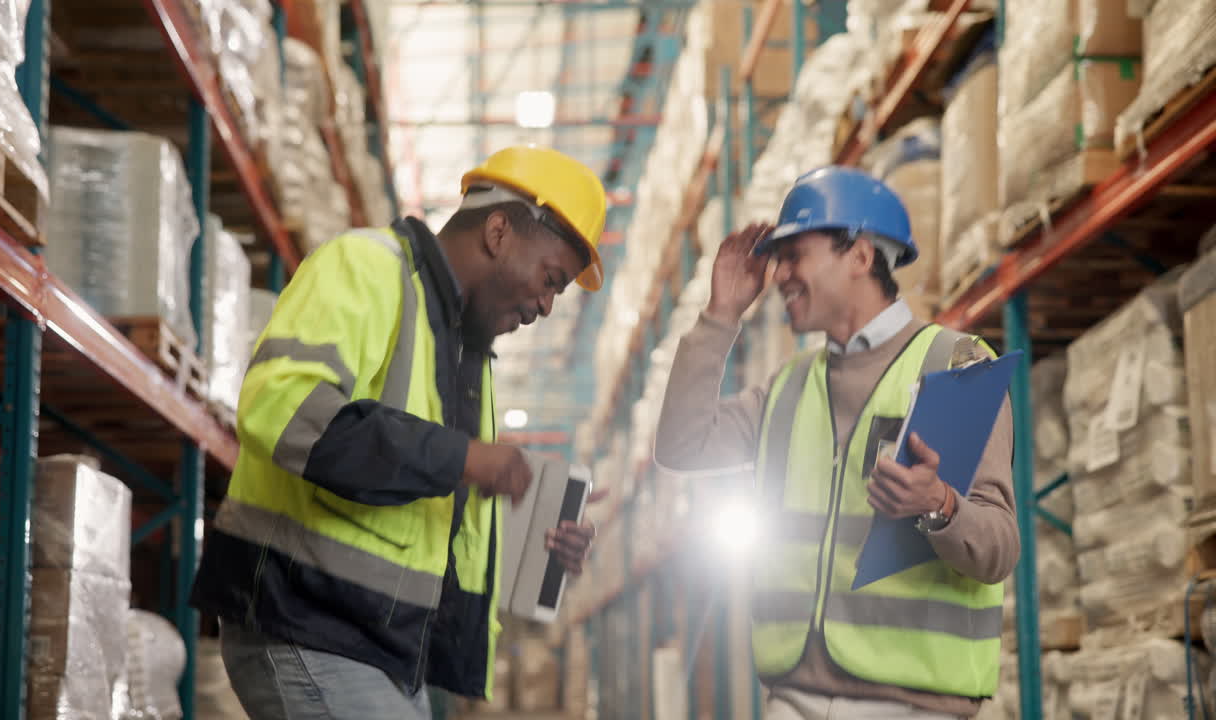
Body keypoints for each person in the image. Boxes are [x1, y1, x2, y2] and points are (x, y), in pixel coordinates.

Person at [192, 146, 608, 719]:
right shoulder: (365, 266)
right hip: (306, 624)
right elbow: (281, 410)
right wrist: (462, 456)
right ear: (498, 231)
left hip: (384, 651)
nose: (545, 306)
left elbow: (428, 524)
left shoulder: (467, 361)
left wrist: (530, 548)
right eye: (550, 279)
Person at [655, 166, 1018, 719]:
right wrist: (721, 314)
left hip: (914, 704)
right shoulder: (790, 386)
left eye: (795, 254)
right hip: (793, 698)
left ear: (860, 256)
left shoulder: (953, 367)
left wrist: (939, 506)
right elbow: (681, 444)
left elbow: (998, 549)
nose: (778, 276)